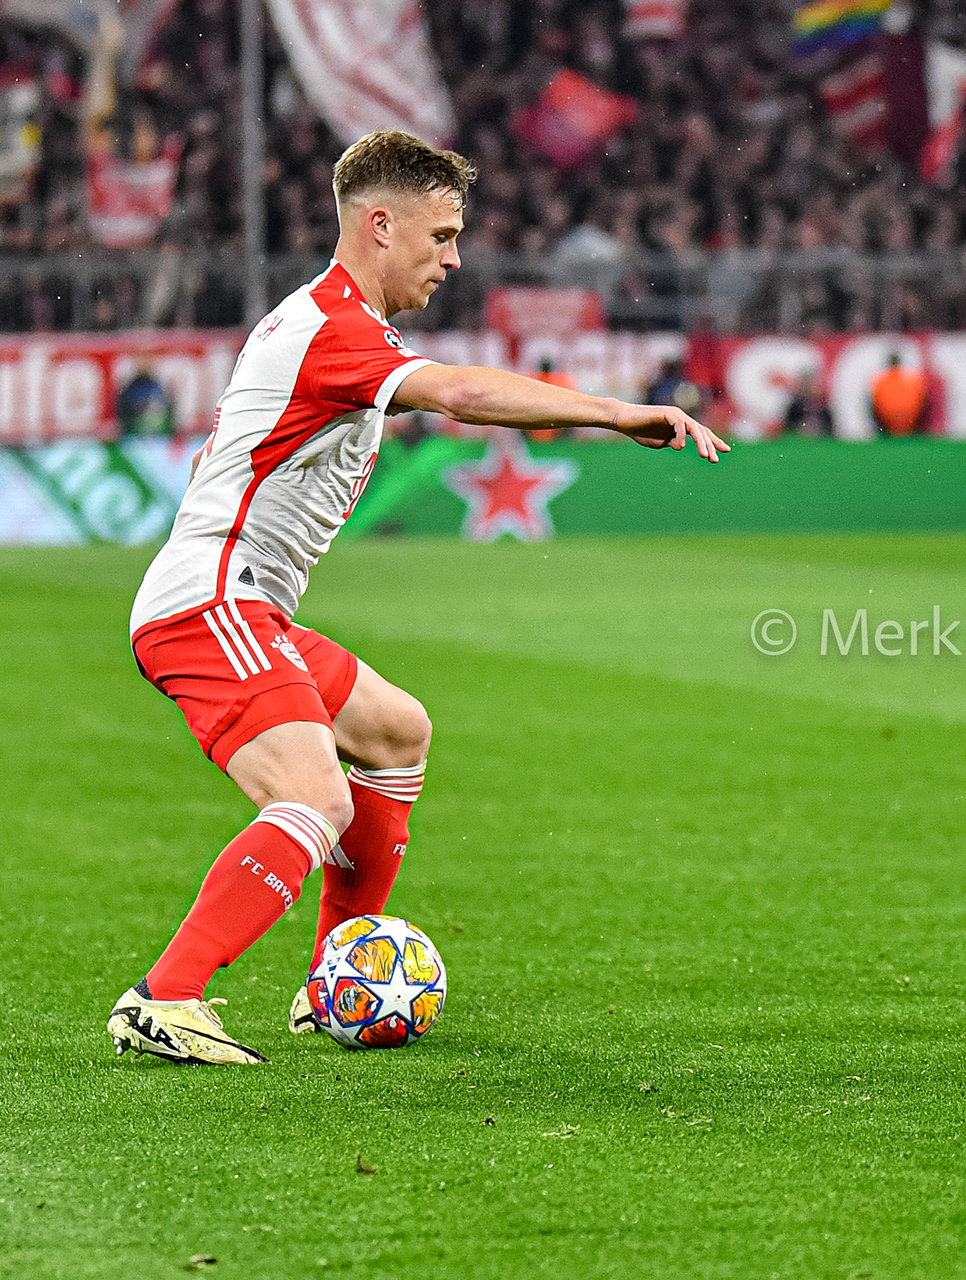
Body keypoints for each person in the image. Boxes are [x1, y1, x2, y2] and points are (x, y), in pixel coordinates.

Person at [106, 129, 727, 1065]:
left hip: (242, 602)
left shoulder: (329, 325)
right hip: (212, 602)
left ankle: (330, 978)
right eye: (441, 236)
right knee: (314, 798)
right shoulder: (333, 327)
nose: (454, 257)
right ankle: (166, 997)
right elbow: (461, 394)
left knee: (397, 732)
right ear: (380, 225)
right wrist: (610, 410)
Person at [870, 350, 928, 437]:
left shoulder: (880, 380)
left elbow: (874, 405)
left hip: (887, 422)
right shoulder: (912, 379)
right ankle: (919, 431)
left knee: (871, 398)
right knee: (923, 397)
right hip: (911, 422)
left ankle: (882, 432)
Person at [116, 356, 175, 438]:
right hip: (133, 435)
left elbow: (168, 410)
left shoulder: (158, 386)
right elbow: (122, 411)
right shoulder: (130, 387)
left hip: (159, 435)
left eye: (147, 361)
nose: (145, 364)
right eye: (142, 361)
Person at [647, 355, 705, 420]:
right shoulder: (657, 386)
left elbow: (695, 405)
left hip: (687, 416)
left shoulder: (686, 384)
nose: (671, 370)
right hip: (661, 418)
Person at [783, 365, 834, 437]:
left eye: (809, 382)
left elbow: (830, 430)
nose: (806, 385)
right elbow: (788, 429)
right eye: (803, 382)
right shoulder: (794, 406)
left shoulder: (822, 406)